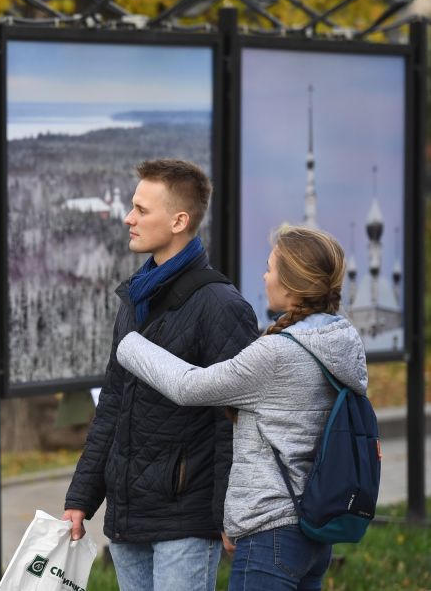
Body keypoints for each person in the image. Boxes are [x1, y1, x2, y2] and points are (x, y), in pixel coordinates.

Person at [116, 225, 368, 590]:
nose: (264, 277)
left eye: (270, 268)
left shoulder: (279, 353)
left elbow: (190, 386)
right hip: (313, 530)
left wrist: (130, 342)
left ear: (291, 283)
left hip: (271, 534)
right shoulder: (341, 342)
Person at [63, 158, 259, 591]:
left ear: (179, 221)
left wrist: (229, 511)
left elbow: (233, 423)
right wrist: (81, 499)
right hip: (129, 515)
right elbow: (112, 404)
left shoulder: (221, 307)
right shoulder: (135, 298)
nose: (128, 219)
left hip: (186, 519)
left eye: (141, 210)